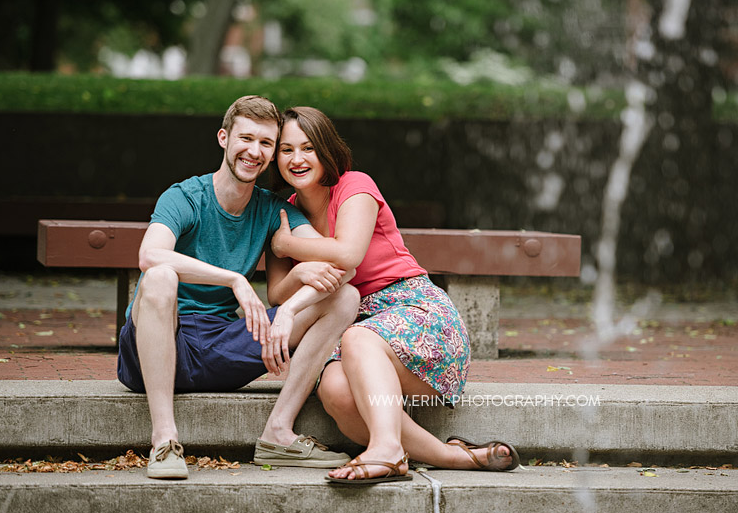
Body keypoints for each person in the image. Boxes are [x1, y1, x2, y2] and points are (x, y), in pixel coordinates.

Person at [269, 106, 520, 485]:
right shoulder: (282, 212)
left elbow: (349, 253)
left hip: (415, 310)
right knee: (336, 391)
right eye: (286, 150)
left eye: (309, 148)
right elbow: (276, 292)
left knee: (360, 338)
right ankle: (452, 457)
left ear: (327, 151)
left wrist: (286, 245)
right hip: (352, 326)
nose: (297, 159)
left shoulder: (354, 185)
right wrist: (299, 270)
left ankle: (386, 450)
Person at [117, 96, 360, 480]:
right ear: (224, 138)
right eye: (246, 139)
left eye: (266, 143)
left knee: (345, 297)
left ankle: (278, 432)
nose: (255, 151)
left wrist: (291, 305)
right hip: (153, 345)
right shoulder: (184, 197)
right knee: (161, 276)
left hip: (219, 346)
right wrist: (234, 279)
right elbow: (150, 255)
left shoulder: (271, 208)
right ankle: (164, 440)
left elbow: (341, 267)